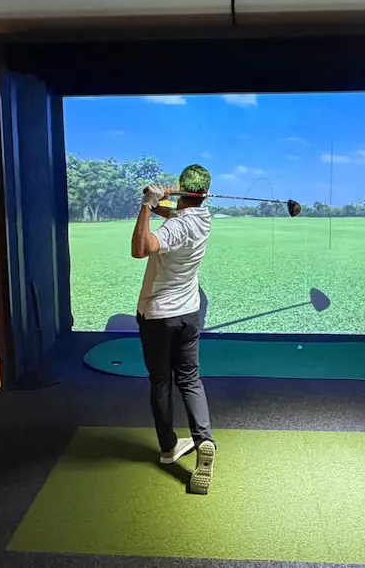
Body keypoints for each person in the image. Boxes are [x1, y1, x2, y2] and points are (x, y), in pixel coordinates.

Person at [132, 164, 216, 494]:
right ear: (205, 195)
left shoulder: (175, 228)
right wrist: (157, 202)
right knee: (190, 379)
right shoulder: (203, 218)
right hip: (189, 313)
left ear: (181, 189)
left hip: (158, 315)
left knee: (161, 381)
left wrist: (144, 207)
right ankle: (203, 440)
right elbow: (173, 213)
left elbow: (141, 249)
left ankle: (168, 448)